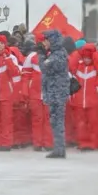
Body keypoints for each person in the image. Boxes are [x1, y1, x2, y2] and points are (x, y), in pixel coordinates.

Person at [40, 29, 71, 158]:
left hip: (57, 92)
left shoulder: (58, 54)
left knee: (57, 121)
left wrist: (41, 57)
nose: (44, 43)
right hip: (54, 92)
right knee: (55, 121)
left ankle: (59, 149)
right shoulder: (54, 53)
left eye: (46, 40)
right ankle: (58, 148)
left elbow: (46, 68)